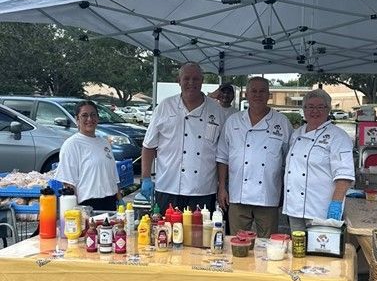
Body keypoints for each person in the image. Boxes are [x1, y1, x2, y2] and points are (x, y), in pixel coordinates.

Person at [140, 62, 226, 213]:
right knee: (165, 234)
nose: (191, 83)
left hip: (203, 189)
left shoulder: (216, 110)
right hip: (168, 186)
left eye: (196, 79)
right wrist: (145, 178)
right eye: (186, 78)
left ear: (202, 80)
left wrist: (222, 186)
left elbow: (222, 155)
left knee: (200, 235)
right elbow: (148, 146)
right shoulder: (165, 107)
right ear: (178, 81)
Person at [217, 77, 292, 238]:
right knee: (237, 242)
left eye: (262, 91)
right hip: (237, 195)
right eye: (254, 91)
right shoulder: (233, 121)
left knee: (269, 245)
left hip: (268, 195)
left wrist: (285, 192)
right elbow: (222, 157)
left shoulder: (282, 122)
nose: (258, 95)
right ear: (246, 94)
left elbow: (290, 161)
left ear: (269, 95)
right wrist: (222, 187)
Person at [283, 89, 355, 231]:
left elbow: (344, 175)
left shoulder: (338, 136)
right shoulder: (296, 134)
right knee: (298, 250)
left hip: (320, 210)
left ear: (328, 109)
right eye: (310, 107)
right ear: (303, 110)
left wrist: (336, 204)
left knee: (320, 251)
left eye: (320, 107)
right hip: (294, 208)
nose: (314, 111)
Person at [54, 100, 123, 211]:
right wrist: (75, 211)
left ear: (98, 117)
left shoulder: (104, 143)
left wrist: (120, 200)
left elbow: (113, 177)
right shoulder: (72, 145)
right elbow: (68, 182)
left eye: (93, 115)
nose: (90, 119)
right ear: (77, 119)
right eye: (84, 115)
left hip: (110, 202)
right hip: (87, 205)